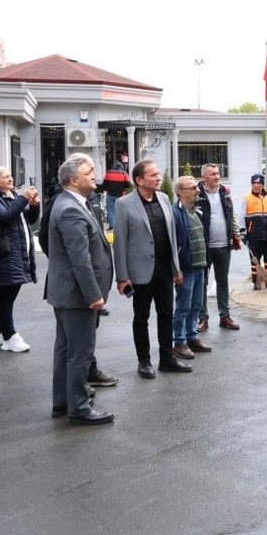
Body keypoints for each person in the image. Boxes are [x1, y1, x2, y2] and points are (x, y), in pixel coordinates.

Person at [46, 156, 115, 426]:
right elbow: (80, 259)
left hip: (68, 293)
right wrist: (93, 294)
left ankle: (63, 402)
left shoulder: (73, 203)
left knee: (65, 350)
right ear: (74, 180)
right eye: (89, 172)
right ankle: (79, 407)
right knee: (79, 352)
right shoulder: (70, 209)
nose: (94, 175)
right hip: (77, 295)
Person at [113, 160, 189, 377]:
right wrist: (122, 276)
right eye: (153, 175)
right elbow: (120, 242)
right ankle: (144, 361)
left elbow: (171, 236)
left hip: (165, 270)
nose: (158, 178)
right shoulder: (124, 204)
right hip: (140, 272)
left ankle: (167, 358)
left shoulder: (164, 198)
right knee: (141, 317)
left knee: (166, 314)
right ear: (139, 180)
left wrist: (176, 268)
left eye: (158, 174)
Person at [0, 166, 40, 353]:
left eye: (10, 176)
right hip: (7, 254)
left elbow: (28, 220)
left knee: (6, 297)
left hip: (19, 252)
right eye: (5, 177)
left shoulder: (13, 196)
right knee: (7, 296)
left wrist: (33, 205)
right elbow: (4, 216)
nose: (10, 179)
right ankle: (10, 336)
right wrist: (23, 198)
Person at [195, 163, 243, 331]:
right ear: (204, 177)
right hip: (204, 247)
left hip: (224, 245)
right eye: (213, 174)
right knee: (202, 282)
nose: (217, 176)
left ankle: (225, 316)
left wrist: (236, 235)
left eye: (218, 173)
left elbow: (232, 216)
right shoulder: (196, 194)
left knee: (223, 281)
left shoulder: (225, 193)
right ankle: (203, 317)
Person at [173, 175, 212, 358]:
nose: (198, 190)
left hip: (199, 266)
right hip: (186, 269)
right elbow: (173, 245)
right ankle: (179, 342)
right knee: (183, 307)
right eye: (193, 188)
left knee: (196, 305)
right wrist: (176, 269)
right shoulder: (175, 213)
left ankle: (192, 337)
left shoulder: (195, 211)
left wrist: (206, 265)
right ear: (181, 193)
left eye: (197, 187)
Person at [100, 153, 131, 230]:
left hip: (110, 194)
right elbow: (129, 185)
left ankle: (111, 225)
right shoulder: (124, 174)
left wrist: (105, 190)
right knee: (121, 210)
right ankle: (121, 226)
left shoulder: (109, 173)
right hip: (121, 195)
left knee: (110, 210)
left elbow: (104, 184)